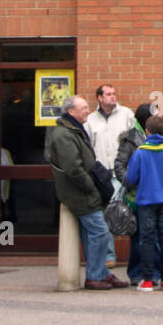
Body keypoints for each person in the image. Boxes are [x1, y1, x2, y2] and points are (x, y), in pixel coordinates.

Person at [50, 95, 125, 290]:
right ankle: (95, 275)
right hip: (80, 193)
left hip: (84, 192)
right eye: (83, 108)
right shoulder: (64, 134)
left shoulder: (73, 130)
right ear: (71, 112)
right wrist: (91, 187)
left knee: (92, 233)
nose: (87, 111)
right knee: (100, 232)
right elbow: (73, 169)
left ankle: (101, 272)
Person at [125, 115, 163, 291]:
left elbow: (131, 178)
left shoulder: (140, 153)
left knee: (147, 239)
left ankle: (148, 279)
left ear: (147, 131)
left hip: (146, 200)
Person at [86, 84, 137, 265]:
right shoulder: (90, 120)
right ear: (100, 98)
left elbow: (136, 140)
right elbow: (87, 147)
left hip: (121, 173)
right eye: (109, 94)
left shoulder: (126, 115)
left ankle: (134, 256)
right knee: (103, 215)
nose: (113, 97)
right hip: (101, 174)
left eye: (114, 93)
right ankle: (109, 256)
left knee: (127, 213)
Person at [114, 102, 158, 286]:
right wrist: (132, 181)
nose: (158, 116)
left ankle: (153, 273)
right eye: (155, 114)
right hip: (138, 195)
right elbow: (119, 165)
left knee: (154, 235)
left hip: (155, 193)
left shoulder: (161, 137)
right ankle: (136, 272)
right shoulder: (130, 139)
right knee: (139, 235)